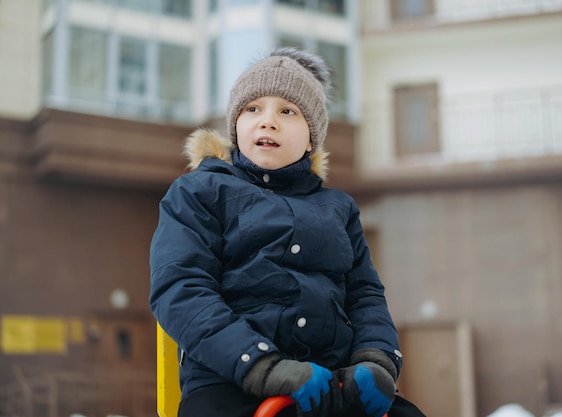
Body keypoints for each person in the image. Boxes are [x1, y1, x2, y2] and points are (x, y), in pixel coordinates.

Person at [149, 48, 427, 417]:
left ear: (312, 139)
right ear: (235, 127)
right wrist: (263, 367)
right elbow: (181, 289)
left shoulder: (338, 209)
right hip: (232, 380)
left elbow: (365, 295)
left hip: (329, 381)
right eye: (253, 109)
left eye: (287, 111)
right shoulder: (200, 192)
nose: (268, 121)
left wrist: (377, 361)